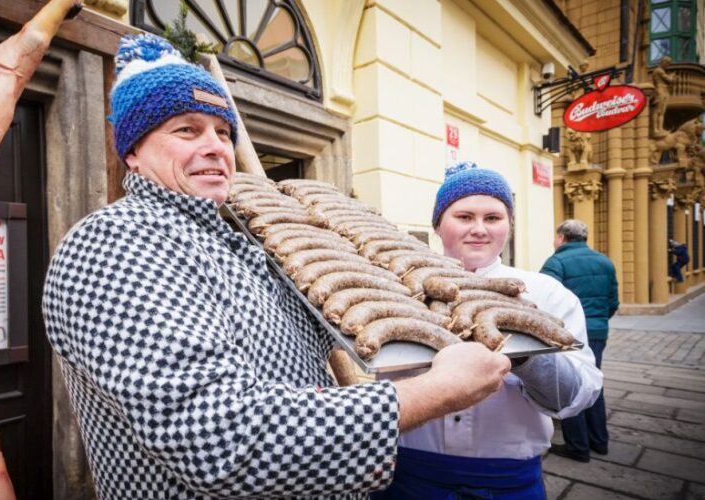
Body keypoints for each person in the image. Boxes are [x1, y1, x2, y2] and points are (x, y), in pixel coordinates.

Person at [42, 34, 511, 499]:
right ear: (133, 152)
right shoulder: (116, 243)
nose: (215, 148)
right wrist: (435, 392)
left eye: (223, 132)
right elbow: (221, 441)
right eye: (186, 130)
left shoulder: (236, 245)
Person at [373, 162, 603, 499]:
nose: (479, 229)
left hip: (508, 482)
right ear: (438, 225)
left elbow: (575, 398)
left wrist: (526, 355)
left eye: (493, 218)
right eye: (464, 217)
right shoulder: (389, 291)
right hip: (406, 475)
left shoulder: (547, 294)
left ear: (509, 225)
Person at [541, 219, 618, 462]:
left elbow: (542, 303)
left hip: (567, 333)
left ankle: (578, 446)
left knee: (569, 380)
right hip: (597, 330)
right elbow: (613, 301)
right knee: (593, 380)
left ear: (562, 237)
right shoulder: (605, 261)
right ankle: (600, 441)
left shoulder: (556, 262)